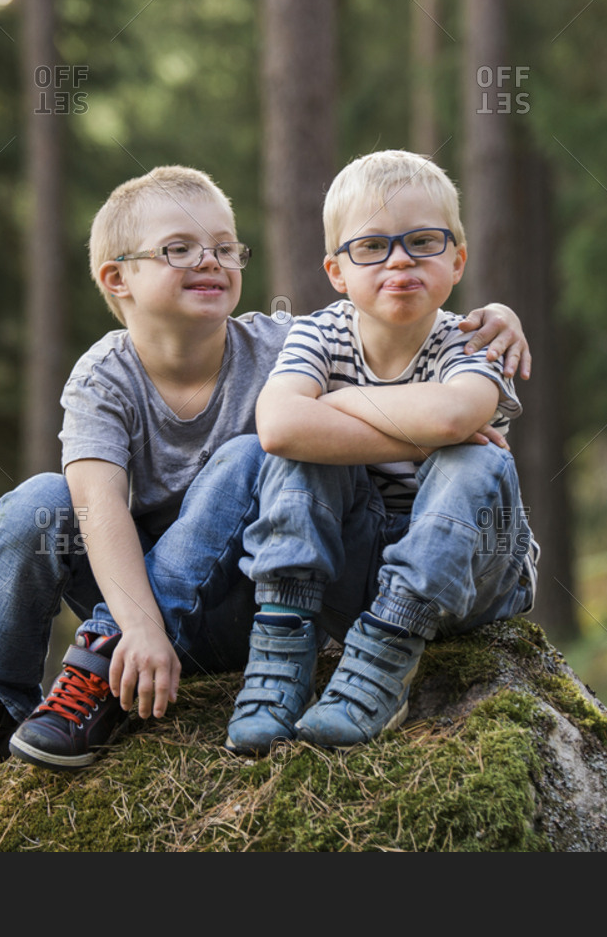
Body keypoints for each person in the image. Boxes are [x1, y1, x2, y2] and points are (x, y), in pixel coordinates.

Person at [0, 164, 529, 806]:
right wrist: (139, 627)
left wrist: (495, 317)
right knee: (38, 503)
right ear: (117, 278)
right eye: (180, 249)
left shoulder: (283, 345)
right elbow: (96, 508)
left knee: (248, 452)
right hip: (138, 609)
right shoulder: (101, 378)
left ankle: (106, 663)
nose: (211, 261)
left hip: (248, 597)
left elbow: (385, 327)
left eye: (226, 248)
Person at [225, 150, 539, 754]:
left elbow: (455, 415)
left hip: (473, 576)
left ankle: (388, 656)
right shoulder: (319, 333)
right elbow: (279, 428)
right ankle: (281, 653)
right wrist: (412, 423)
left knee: (477, 459)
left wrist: (336, 405)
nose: (399, 259)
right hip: (354, 572)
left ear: (458, 259)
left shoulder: (472, 338)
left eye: (423, 241)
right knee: (297, 458)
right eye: (371, 246)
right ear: (336, 271)